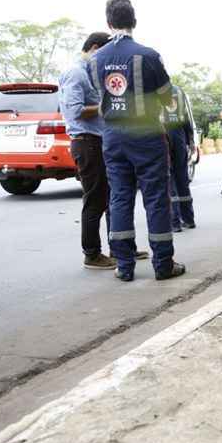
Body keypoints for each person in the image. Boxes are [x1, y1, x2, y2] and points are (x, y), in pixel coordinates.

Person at [88, 0, 185, 282]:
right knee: (156, 198)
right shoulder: (149, 56)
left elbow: (100, 94)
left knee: (119, 197)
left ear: (108, 23)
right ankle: (163, 264)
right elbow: (168, 99)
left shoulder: (96, 59)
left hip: (113, 137)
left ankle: (125, 266)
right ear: (135, 21)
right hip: (146, 136)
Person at [59, 32, 148, 269]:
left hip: (101, 140)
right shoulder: (75, 73)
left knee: (112, 198)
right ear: (95, 48)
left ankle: (120, 248)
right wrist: (105, 105)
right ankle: (92, 253)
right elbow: (74, 111)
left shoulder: (91, 71)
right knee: (95, 200)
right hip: (86, 142)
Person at [162, 85, 197, 231]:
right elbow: (186, 119)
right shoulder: (179, 91)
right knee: (182, 179)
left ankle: (174, 222)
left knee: (170, 181)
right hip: (180, 137)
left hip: (164, 138)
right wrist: (191, 140)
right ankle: (188, 219)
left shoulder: (155, 90)